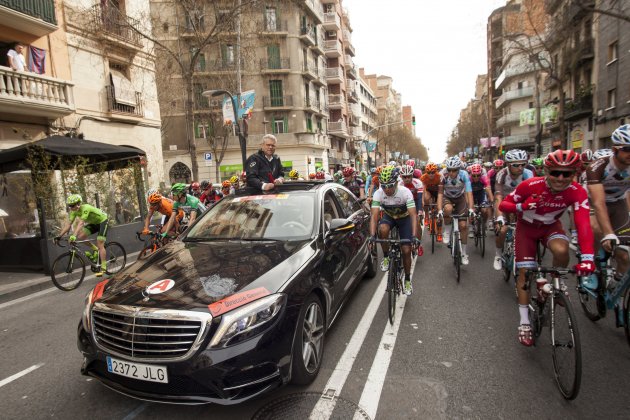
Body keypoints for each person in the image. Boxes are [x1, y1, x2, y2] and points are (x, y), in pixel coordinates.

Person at [499, 150, 594, 346]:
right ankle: (524, 321)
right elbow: (504, 205)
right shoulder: (530, 185)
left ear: (574, 174)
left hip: (550, 227)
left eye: (567, 174)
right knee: (525, 273)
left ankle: (557, 282)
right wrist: (522, 207)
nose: (561, 178)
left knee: (561, 250)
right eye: (556, 173)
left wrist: (587, 259)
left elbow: (583, 224)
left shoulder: (577, 191)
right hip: (526, 229)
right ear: (547, 171)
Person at [586, 124, 630, 283]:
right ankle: (593, 265)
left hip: (619, 204)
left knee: (625, 255)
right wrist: (608, 233)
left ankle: (617, 285)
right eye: (627, 149)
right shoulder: (598, 167)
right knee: (598, 232)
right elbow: (598, 203)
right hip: (593, 203)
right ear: (615, 149)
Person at [369, 166, 420, 295]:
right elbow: (374, 217)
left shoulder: (405, 192)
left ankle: (407, 280)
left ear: (396, 183)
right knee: (382, 228)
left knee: (406, 250)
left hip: (405, 219)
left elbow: (413, 215)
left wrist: (414, 236)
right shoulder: (378, 193)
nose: (387, 189)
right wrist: (371, 236)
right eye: (384, 186)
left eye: (390, 185)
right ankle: (386, 256)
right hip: (390, 217)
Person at [493, 150, 533, 270]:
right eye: (516, 165)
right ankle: (498, 255)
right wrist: (499, 217)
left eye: (523, 164)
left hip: (521, 202)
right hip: (505, 202)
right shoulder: (502, 174)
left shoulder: (528, 173)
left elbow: (532, 194)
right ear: (508, 165)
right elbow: (498, 196)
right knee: (502, 229)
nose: (520, 168)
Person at [57, 194, 109, 276]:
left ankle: (103, 267)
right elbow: (68, 225)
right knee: (81, 236)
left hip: (103, 221)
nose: (71, 207)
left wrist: (73, 235)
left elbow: (81, 223)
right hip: (94, 223)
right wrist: (59, 236)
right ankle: (95, 249)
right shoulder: (73, 212)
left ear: (78, 204)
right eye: (69, 206)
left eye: (72, 205)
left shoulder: (86, 208)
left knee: (100, 244)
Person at [437, 156, 474, 265]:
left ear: (459, 169)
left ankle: (464, 253)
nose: (452, 173)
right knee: (448, 209)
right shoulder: (442, 175)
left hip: (460, 198)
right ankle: (447, 230)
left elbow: (469, 192)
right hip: (447, 197)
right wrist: (439, 210)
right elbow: (439, 194)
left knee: (463, 226)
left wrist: (471, 208)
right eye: (449, 170)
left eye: (454, 170)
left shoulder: (464, 175)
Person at [468, 163, 494, 237]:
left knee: (484, 210)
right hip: (471, 194)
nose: (476, 177)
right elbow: (466, 193)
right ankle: (471, 227)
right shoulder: (468, 179)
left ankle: (484, 224)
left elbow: (488, 189)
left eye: (478, 175)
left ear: (481, 174)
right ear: (471, 175)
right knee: (471, 209)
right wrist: (469, 204)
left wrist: (492, 200)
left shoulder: (484, 178)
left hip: (481, 194)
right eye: (474, 175)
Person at [420, 163, 443, 240]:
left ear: (436, 171)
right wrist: (422, 201)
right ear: (426, 172)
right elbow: (423, 190)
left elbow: (442, 190)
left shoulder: (439, 177)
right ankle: (426, 214)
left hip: (437, 192)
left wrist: (439, 204)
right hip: (429, 191)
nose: (431, 174)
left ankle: (439, 232)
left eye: (433, 172)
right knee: (426, 198)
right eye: (429, 172)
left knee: (439, 211)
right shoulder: (423, 177)